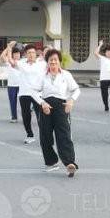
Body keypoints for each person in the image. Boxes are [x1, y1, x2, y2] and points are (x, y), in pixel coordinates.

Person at [32, 49, 81, 177]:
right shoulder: (42, 75)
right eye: (50, 60)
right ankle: (51, 162)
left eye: (55, 60)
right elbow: (34, 91)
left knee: (64, 135)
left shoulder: (66, 75)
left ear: (59, 62)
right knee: (45, 136)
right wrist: (42, 103)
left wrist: (71, 101)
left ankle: (69, 163)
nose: (53, 62)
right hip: (46, 107)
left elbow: (76, 90)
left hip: (62, 107)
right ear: (47, 62)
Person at [1, 41, 46, 144]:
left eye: (33, 52)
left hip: (37, 94)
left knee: (41, 116)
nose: (31, 54)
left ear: (36, 54)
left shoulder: (41, 64)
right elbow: (11, 62)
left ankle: (44, 136)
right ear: (26, 54)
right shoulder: (21, 63)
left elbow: (53, 64)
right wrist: (9, 48)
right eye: (29, 52)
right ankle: (30, 135)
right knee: (26, 116)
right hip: (24, 93)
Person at [5, 47, 22, 123]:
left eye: (18, 54)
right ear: (12, 55)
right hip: (11, 85)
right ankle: (14, 117)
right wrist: (8, 48)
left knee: (24, 102)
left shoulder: (22, 62)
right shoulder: (9, 61)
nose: (17, 55)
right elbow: (2, 56)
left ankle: (26, 116)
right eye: (15, 54)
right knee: (12, 102)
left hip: (22, 85)